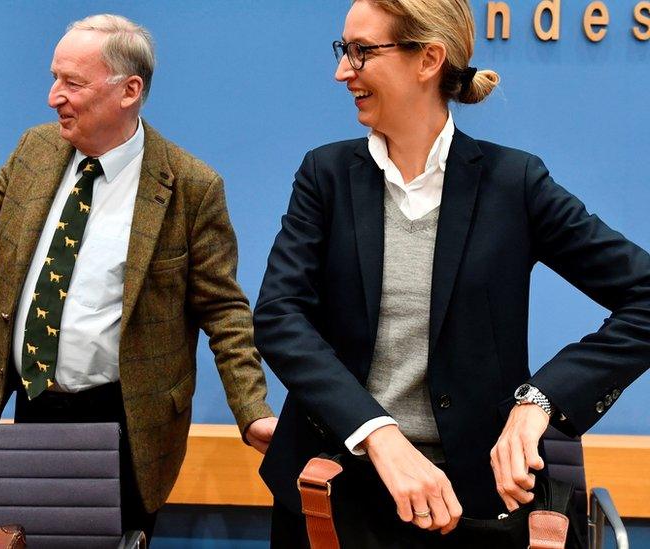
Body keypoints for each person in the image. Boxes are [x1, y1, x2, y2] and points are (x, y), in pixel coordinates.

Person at [0, 13, 276, 540]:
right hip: (33, 407)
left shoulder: (189, 186)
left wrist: (252, 409)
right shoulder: (37, 150)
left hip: (126, 421)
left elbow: (223, 310)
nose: (54, 96)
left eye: (72, 83)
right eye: (54, 78)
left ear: (129, 90)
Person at [253, 0, 650, 547]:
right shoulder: (325, 175)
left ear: (429, 59)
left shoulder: (515, 183)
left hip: (471, 509)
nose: (342, 71)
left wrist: (539, 402)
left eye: (361, 51)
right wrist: (378, 433)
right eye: (344, 50)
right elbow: (278, 316)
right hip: (336, 501)